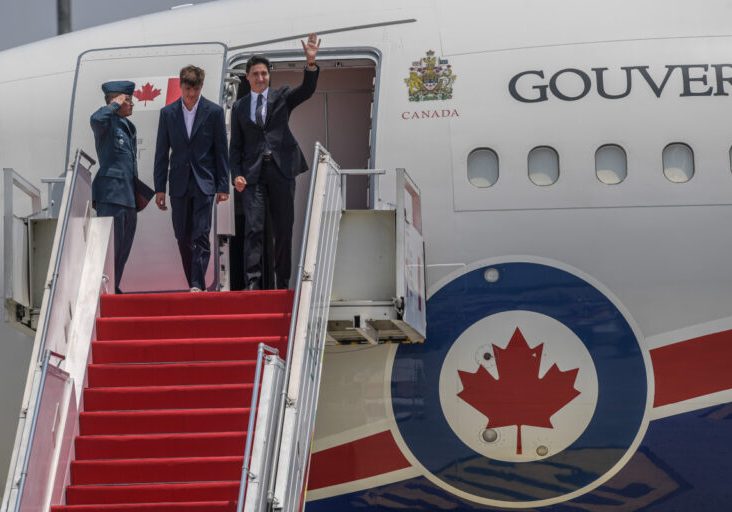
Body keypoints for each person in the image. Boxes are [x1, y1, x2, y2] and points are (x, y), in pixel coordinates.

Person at [230, 33, 321, 290]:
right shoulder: (239, 107)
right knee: (254, 228)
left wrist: (311, 64)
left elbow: (306, 90)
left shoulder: (281, 97)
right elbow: (235, 146)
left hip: (281, 170)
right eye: (256, 74)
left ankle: (282, 282)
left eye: (265, 74)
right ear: (248, 78)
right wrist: (235, 173)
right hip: (253, 175)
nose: (261, 78)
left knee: (283, 228)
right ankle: (253, 282)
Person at [153, 65, 229, 292]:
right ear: (181, 86)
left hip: (205, 183)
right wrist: (160, 188)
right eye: (187, 89)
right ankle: (194, 282)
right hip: (178, 184)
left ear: (201, 87)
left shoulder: (213, 112)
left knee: (201, 233)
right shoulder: (167, 114)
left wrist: (223, 185)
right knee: (182, 235)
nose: (191, 95)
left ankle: (197, 284)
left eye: (195, 90)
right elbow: (161, 153)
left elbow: (221, 151)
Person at [90, 80, 138, 294]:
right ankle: (106, 290)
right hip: (111, 195)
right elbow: (96, 118)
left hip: (128, 196)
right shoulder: (106, 123)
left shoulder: (127, 127)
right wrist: (114, 105)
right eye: (128, 99)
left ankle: (114, 285)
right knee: (110, 248)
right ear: (118, 100)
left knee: (123, 249)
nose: (132, 103)